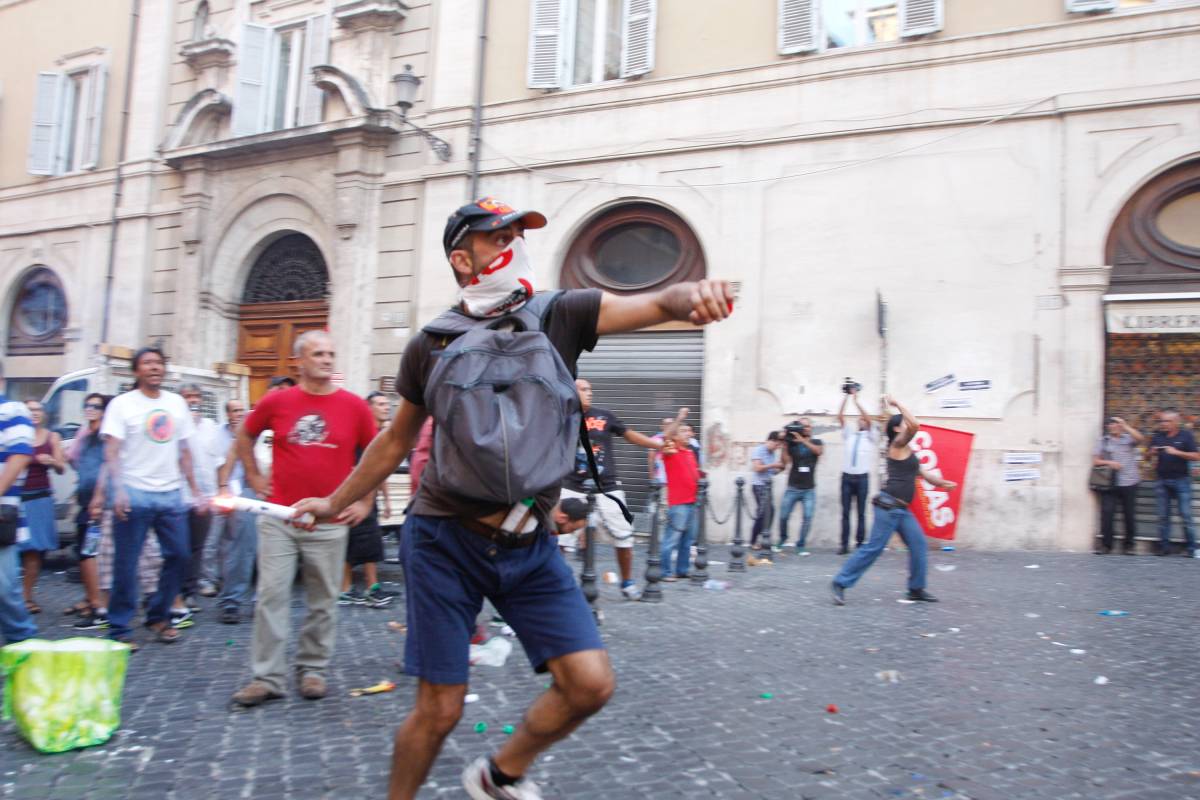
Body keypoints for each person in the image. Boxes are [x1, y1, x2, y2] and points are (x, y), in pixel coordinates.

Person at [291, 196, 733, 800]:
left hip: (529, 542)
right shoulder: (432, 343)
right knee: (440, 709)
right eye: (497, 239)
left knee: (589, 684)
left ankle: (499, 775)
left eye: (517, 236)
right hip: (445, 539)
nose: (513, 248)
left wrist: (694, 295)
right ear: (461, 258)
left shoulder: (559, 315)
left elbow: (655, 303)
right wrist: (334, 498)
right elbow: (395, 440)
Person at [229, 331, 376, 706]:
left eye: (331, 353)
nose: (327, 360)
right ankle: (267, 677)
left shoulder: (354, 406)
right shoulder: (278, 401)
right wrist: (255, 478)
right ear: (299, 361)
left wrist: (364, 502)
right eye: (318, 354)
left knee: (324, 599)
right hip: (280, 516)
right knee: (271, 595)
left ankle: (313, 669)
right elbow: (244, 436)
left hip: (328, 522)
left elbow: (376, 456)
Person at [93, 347, 199, 647]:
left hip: (170, 494)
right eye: (147, 363)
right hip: (134, 492)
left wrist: (196, 490)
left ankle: (158, 615)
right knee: (126, 564)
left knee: (179, 555)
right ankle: (119, 627)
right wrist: (119, 490)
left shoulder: (177, 403)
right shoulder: (122, 405)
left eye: (159, 362)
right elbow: (111, 451)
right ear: (136, 371)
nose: (154, 367)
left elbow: (185, 451)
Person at [831, 395, 957, 605]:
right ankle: (840, 582)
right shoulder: (897, 446)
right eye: (902, 424)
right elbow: (915, 425)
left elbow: (924, 475)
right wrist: (898, 404)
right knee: (874, 548)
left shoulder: (908, 452)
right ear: (898, 430)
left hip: (903, 510)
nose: (906, 425)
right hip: (889, 507)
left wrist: (943, 483)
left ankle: (916, 589)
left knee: (918, 544)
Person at [560, 377, 663, 600]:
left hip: (607, 487)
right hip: (572, 486)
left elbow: (630, 434)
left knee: (624, 538)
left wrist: (657, 444)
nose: (589, 393)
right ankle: (556, 587)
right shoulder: (562, 416)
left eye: (590, 389)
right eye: (583, 389)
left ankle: (627, 583)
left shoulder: (603, 416)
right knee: (560, 541)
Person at [339, 391, 394, 608]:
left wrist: (386, 499)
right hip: (355, 497)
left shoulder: (381, 435)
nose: (386, 407)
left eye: (387, 404)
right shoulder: (359, 433)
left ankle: (370, 588)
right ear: (368, 407)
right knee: (353, 541)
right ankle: (347, 589)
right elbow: (352, 467)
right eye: (380, 404)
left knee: (369, 541)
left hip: (370, 497)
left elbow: (380, 470)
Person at [176, 383, 224, 623]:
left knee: (197, 548)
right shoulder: (172, 425)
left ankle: (189, 593)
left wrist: (220, 490)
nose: (192, 401)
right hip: (178, 496)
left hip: (205, 497)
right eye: (187, 396)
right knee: (178, 547)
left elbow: (219, 461)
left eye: (196, 397)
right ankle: (174, 594)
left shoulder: (210, 427)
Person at [66, 393, 112, 630]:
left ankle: (99, 607)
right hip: (86, 502)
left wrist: (98, 497)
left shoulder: (106, 437)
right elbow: (73, 460)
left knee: (90, 554)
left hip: (99, 506)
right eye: (87, 405)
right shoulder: (87, 435)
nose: (90, 409)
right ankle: (94, 602)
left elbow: (108, 467)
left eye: (96, 406)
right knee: (85, 554)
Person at [0, 363, 36, 645]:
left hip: (2, 512)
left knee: (4, 588)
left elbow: (20, 455)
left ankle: (21, 642)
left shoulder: (14, 411)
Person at [18, 399, 64, 614]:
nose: (34, 413)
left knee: (34, 551)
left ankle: (26, 598)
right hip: (15, 497)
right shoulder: (15, 435)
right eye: (30, 410)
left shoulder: (52, 437)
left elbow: (62, 468)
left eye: (38, 409)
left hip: (39, 498)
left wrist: (52, 462)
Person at [199, 397, 247, 597]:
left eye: (241, 411)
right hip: (221, 492)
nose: (239, 415)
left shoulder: (249, 434)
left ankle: (228, 578)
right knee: (212, 539)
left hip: (242, 495)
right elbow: (217, 463)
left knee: (233, 540)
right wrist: (222, 488)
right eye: (235, 411)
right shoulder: (218, 435)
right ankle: (207, 579)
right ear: (227, 414)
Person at [657, 407, 700, 581]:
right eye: (683, 431)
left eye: (688, 431)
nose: (688, 434)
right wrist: (679, 418)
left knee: (687, 541)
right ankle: (665, 572)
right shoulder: (670, 450)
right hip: (679, 503)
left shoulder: (689, 451)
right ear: (675, 436)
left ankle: (682, 569)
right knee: (671, 540)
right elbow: (665, 437)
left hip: (693, 501)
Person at [1149, 410, 1199, 557]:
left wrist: (1177, 452)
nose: (1163, 424)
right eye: (1162, 421)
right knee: (1163, 516)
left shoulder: (1186, 435)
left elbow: (1196, 456)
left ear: (1176, 422)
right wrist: (1150, 453)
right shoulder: (1158, 436)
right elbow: (1147, 456)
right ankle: (1164, 547)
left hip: (1181, 480)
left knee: (1186, 515)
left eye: (1167, 421)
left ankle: (1192, 548)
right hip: (1162, 480)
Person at [1093, 416, 1144, 555]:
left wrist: (1126, 426)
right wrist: (1110, 463)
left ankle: (1129, 545)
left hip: (1129, 481)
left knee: (1129, 514)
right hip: (1109, 483)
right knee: (1107, 514)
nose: (1114, 426)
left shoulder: (1128, 439)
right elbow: (1096, 461)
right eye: (1111, 424)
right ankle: (1106, 545)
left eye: (1116, 424)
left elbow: (1141, 439)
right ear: (1108, 427)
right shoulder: (1103, 441)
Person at [837, 387, 877, 554]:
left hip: (862, 479)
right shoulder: (849, 435)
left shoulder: (870, 434)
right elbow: (840, 416)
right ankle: (844, 545)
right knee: (845, 512)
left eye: (862, 419)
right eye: (858, 419)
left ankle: (860, 544)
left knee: (861, 513)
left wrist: (857, 401)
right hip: (847, 478)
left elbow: (869, 420)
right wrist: (847, 397)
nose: (860, 421)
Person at [778, 418, 823, 554]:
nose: (806, 428)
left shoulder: (816, 442)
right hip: (793, 487)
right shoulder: (791, 443)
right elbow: (785, 463)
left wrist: (803, 440)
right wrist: (785, 445)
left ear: (811, 428)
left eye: (808, 426)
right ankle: (782, 538)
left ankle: (801, 544)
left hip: (809, 489)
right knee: (783, 516)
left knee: (807, 518)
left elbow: (818, 451)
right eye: (803, 426)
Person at [749, 431, 785, 550]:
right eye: (776, 445)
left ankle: (764, 537)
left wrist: (780, 469)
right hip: (759, 485)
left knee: (771, 511)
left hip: (768, 485)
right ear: (770, 441)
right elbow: (757, 468)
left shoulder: (772, 453)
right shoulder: (759, 450)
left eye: (779, 446)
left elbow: (771, 472)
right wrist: (773, 465)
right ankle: (754, 540)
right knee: (763, 513)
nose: (777, 448)